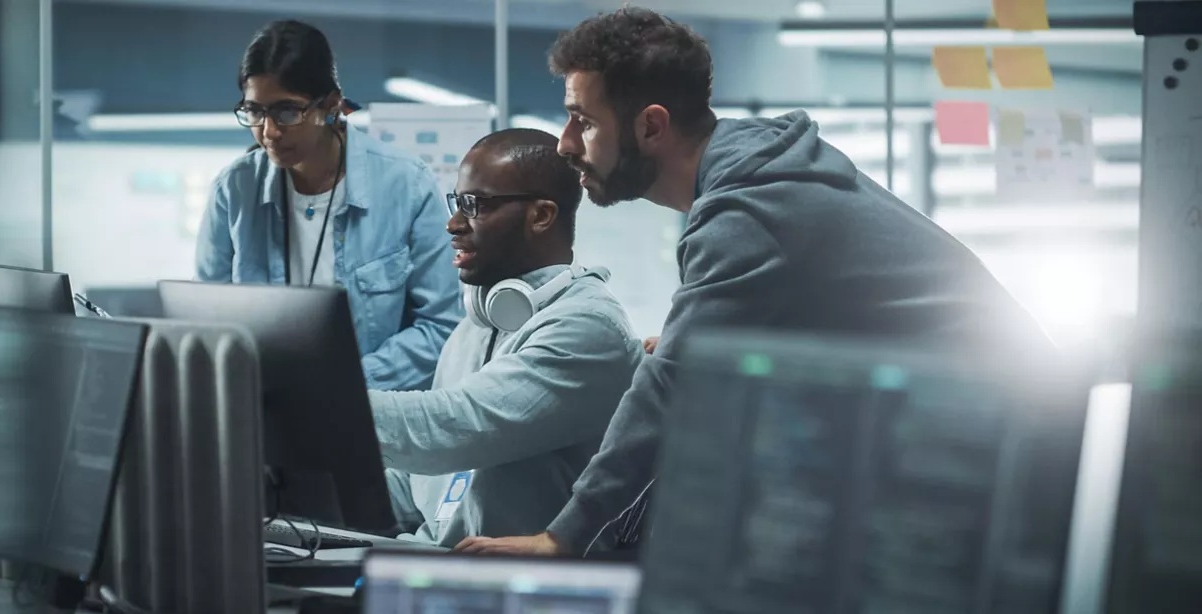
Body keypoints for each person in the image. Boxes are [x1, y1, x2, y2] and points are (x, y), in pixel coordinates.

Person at [454, 7, 1050, 556]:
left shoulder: (747, 210)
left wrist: (564, 537)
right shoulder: (750, 167)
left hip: (1003, 465)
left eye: (582, 121)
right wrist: (711, 346)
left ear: (652, 127)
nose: (565, 145)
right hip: (982, 439)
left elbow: (669, 391)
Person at [371, 128, 644, 547]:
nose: (454, 223)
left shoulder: (588, 328)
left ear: (541, 216)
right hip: (432, 563)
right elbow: (418, 488)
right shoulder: (476, 326)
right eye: (456, 203)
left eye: (474, 205)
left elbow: (456, 426)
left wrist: (331, 408)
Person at [196, 20, 460, 391]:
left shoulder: (406, 184)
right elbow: (208, 320)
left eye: (287, 112)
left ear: (331, 105)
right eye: (255, 111)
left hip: (371, 416)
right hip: (264, 410)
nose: (269, 131)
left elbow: (441, 326)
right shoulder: (233, 189)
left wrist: (343, 385)